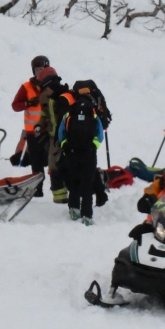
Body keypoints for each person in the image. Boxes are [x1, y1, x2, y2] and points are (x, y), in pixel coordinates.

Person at [57, 82, 104, 224]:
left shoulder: (70, 111)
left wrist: (65, 145)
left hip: (71, 152)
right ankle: (87, 216)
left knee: (74, 181)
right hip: (88, 154)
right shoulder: (93, 113)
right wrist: (93, 146)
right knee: (87, 183)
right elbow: (100, 135)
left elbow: (61, 133)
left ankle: (74, 209)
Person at [10, 57, 51, 190]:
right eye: (37, 69)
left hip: (49, 130)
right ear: (33, 71)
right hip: (32, 132)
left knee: (52, 160)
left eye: (42, 69)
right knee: (36, 163)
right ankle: (38, 189)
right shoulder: (26, 87)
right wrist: (28, 103)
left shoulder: (52, 85)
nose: (40, 72)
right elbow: (15, 106)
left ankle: (57, 187)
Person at [34, 67, 70, 203]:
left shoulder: (64, 98)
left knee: (65, 166)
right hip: (52, 138)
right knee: (53, 167)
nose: (44, 91)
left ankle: (70, 195)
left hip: (65, 139)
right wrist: (39, 126)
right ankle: (59, 198)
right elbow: (44, 114)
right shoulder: (46, 97)